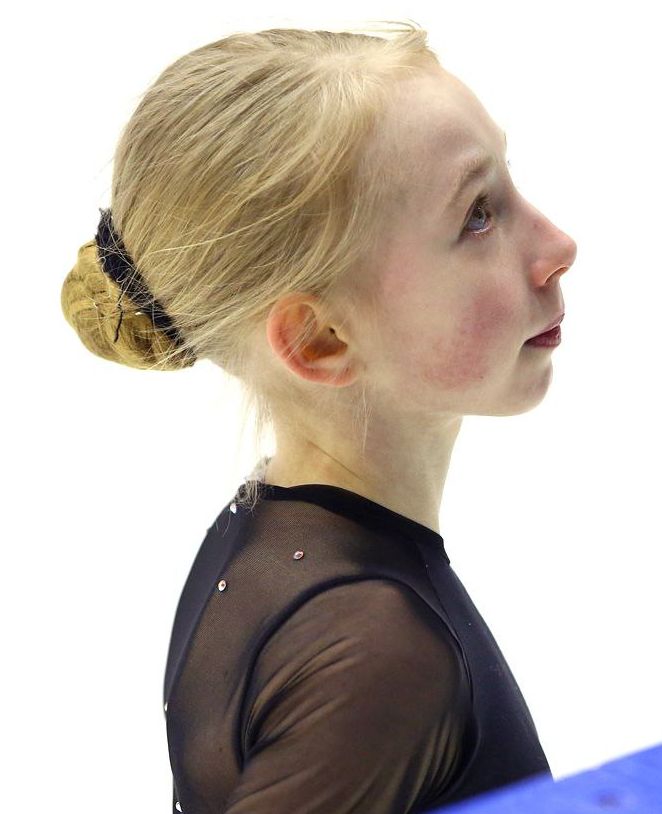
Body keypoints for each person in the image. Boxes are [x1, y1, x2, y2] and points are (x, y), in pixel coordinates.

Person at [60, 20, 577, 814]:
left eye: (507, 182)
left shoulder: (268, 540)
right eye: (478, 214)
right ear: (320, 340)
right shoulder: (377, 648)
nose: (558, 245)